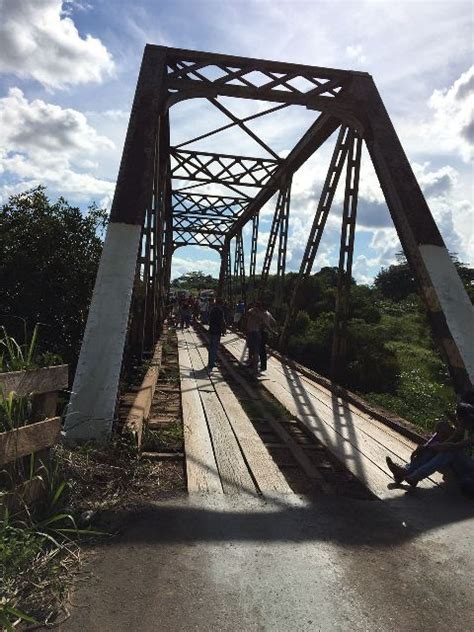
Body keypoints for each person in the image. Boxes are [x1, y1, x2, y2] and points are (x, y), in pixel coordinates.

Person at [386, 400, 474, 488]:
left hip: (470, 469)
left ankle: (415, 475)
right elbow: (448, 441)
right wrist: (427, 447)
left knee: (450, 451)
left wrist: (433, 447)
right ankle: (406, 472)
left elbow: (457, 446)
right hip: (460, 464)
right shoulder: (463, 428)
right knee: (435, 448)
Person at [245, 301, 266, 376]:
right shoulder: (261, 314)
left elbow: (247, 314)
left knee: (252, 351)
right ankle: (255, 369)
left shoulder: (252, 310)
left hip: (252, 333)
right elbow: (262, 322)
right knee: (256, 352)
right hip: (257, 332)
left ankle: (253, 367)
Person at [207, 297, 226, 371]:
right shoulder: (220, 311)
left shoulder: (212, 310)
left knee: (211, 346)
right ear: (221, 304)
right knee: (214, 347)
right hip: (217, 331)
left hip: (211, 330)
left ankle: (211, 362)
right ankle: (212, 363)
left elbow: (209, 320)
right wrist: (224, 329)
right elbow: (222, 321)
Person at [259, 306, 277, 373]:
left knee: (261, 350)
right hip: (266, 333)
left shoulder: (263, 314)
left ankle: (262, 366)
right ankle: (263, 366)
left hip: (263, 332)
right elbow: (274, 321)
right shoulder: (268, 313)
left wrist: (272, 331)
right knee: (262, 349)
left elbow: (265, 324)